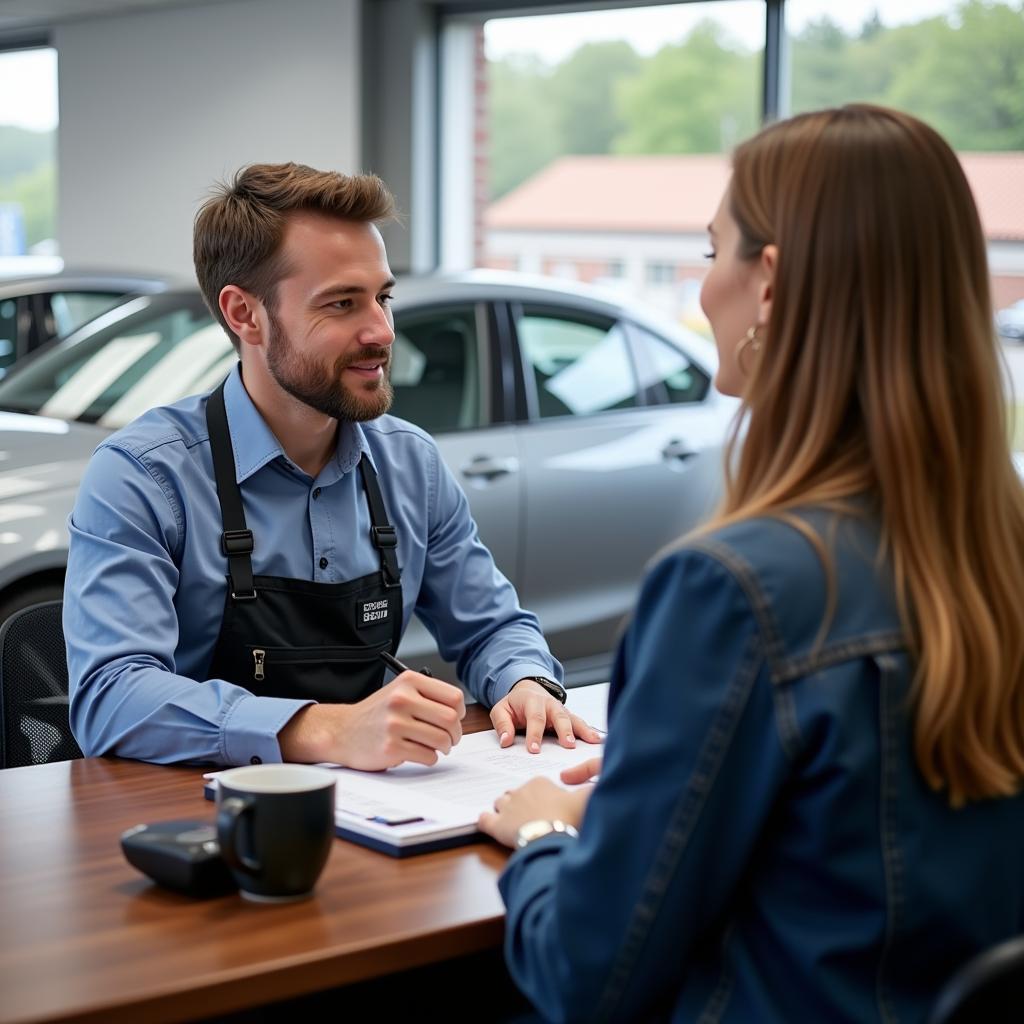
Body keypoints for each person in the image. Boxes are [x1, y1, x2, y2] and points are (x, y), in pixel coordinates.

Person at [479, 104, 1024, 1023]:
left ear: (767, 285)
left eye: (708, 252)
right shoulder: (995, 550)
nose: (701, 291)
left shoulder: (737, 587)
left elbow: (585, 974)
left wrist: (542, 833)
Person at [64, 162, 600, 770]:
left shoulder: (411, 465)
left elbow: (493, 627)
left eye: (383, 297)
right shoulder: (143, 476)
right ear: (246, 315)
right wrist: (324, 730)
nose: (381, 330)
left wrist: (525, 681)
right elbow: (110, 697)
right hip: (200, 819)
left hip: (376, 812)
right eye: (342, 303)